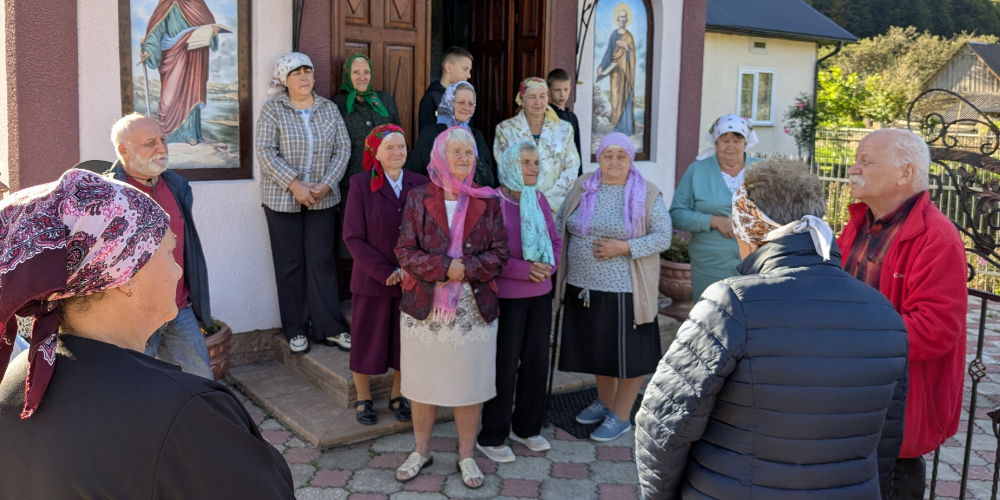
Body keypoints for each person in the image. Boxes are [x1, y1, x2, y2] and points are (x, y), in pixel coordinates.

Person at [0, 170, 294, 499]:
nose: (178, 269)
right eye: (168, 252)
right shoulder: (186, 412)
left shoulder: (16, 381)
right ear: (125, 276)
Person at [635, 159, 909, 499]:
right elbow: (886, 439)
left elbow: (664, 423)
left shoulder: (732, 303)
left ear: (749, 226)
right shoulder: (885, 314)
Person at [838, 129, 968, 499]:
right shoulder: (860, 223)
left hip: (895, 421)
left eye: (867, 161)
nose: (853, 168)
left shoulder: (936, 237)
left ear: (905, 173)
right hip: (854, 407)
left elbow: (935, 330)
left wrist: (849, 336)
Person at [394, 127, 509, 488]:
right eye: (455, 151)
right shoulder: (418, 197)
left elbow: (500, 253)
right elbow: (405, 252)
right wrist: (446, 268)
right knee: (423, 382)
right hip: (424, 309)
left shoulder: (488, 201)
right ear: (441, 156)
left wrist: (466, 270)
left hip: (473, 310)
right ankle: (422, 450)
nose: (462, 158)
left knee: (468, 385)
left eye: (468, 152)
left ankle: (466, 455)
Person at [555, 133, 671, 442]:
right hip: (583, 287)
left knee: (628, 355)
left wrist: (624, 247)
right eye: (608, 154)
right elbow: (560, 222)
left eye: (621, 155)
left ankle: (621, 415)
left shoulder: (646, 193)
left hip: (626, 290)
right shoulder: (583, 186)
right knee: (597, 350)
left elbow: (663, 237)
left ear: (631, 159)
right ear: (599, 158)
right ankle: (604, 402)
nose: (614, 161)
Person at [256, 52, 351, 354]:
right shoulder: (273, 109)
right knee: (290, 265)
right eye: (297, 72)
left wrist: (325, 185)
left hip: (323, 200)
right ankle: (296, 329)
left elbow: (343, 148)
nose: (305, 77)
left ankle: (330, 327)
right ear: (285, 79)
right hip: (282, 200)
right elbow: (266, 151)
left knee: (322, 262)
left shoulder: (328, 109)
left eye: (308, 71)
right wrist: (295, 185)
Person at [105, 113, 213, 378]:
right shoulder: (108, 194)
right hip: (134, 315)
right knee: (136, 389)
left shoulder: (177, 186)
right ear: (123, 150)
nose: (162, 148)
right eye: (150, 142)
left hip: (179, 308)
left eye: (163, 140)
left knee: (201, 385)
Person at [476, 141, 563, 463]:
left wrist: (548, 267)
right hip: (508, 297)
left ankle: (526, 428)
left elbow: (555, 240)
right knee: (504, 366)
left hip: (540, 294)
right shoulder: (492, 201)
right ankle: (492, 435)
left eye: (536, 162)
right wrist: (526, 270)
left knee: (537, 362)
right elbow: (487, 254)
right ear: (511, 163)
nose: (533, 168)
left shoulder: (538, 198)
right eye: (526, 161)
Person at [343, 125, 429, 426]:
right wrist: (385, 272)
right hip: (372, 281)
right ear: (375, 153)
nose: (397, 153)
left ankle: (398, 394)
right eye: (389, 147)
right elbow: (353, 237)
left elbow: (428, 232)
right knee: (367, 340)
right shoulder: (360, 184)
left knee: (403, 341)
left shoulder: (420, 184)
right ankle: (363, 398)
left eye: (402, 147)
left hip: (410, 280)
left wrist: (411, 268)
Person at [670, 114, 762, 300]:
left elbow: (781, 212)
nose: (730, 146)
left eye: (737, 140)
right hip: (709, 264)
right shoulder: (697, 171)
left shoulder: (762, 171)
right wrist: (714, 221)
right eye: (724, 140)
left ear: (746, 143)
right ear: (715, 142)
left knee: (752, 319)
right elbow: (676, 214)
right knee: (710, 317)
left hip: (756, 262)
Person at [334, 54, 403, 264]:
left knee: (384, 237)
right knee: (355, 242)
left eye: (366, 72)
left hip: (386, 181)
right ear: (347, 75)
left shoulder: (385, 100)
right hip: (353, 182)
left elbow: (398, 134)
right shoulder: (337, 104)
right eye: (356, 72)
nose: (362, 77)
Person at [139, 0, 223, 145]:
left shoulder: (197, 3)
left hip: (194, 57)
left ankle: (190, 134)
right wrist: (149, 51)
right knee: (169, 97)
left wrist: (213, 33)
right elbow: (156, 31)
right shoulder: (167, 3)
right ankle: (168, 134)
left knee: (191, 95)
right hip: (173, 56)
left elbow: (209, 25)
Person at [494, 77, 581, 217]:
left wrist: (546, 202)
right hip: (520, 207)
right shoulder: (506, 129)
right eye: (532, 97)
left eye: (542, 96)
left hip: (555, 209)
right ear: (522, 101)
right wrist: (529, 201)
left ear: (548, 99)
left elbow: (572, 167)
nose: (538, 102)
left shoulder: (564, 129)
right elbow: (505, 170)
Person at [406, 81, 496, 187]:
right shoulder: (430, 134)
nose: (466, 107)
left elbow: (489, 181)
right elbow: (412, 173)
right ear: (449, 102)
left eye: (471, 104)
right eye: (461, 102)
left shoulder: (476, 136)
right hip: (434, 200)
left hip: (471, 200)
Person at [595, 7, 636, 135]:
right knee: (615, 100)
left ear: (627, 19)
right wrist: (602, 66)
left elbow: (633, 56)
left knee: (625, 100)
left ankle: (626, 129)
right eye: (620, 17)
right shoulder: (614, 34)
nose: (622, 19)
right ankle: (617, 127)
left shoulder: (629, 36)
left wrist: (627, 48)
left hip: (626, 74)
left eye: (624, 17)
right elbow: (609, 53)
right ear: (617, 19)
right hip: (615, 74)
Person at [418, 46, 474, 132]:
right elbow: (426, 135)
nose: (469, 75)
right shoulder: (431, 98)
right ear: (448, 67)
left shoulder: (465, 96)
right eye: (465, 69)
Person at [547, 68, 582, 166]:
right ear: (549, 90)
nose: (562, 94)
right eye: (557, 90)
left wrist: (579, 173)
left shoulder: (572, 117)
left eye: (565, 90)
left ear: (570, 88)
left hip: (571, 168)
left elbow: (577, 147)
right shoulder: (547, 114)